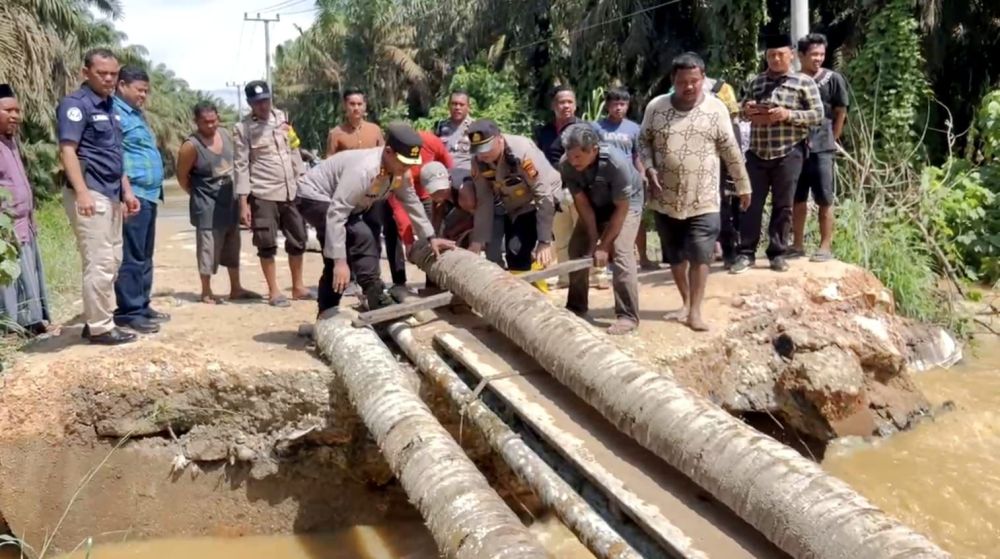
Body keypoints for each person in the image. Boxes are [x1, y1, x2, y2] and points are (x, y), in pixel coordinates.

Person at [640, 53, 751, 332]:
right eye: (682, 82)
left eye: (694, 81)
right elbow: (643, 142)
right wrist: (649, 168)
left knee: (701, 254)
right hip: (664, 197)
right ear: (673, 81)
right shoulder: (656, 107)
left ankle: (696, 312)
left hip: (704, 198)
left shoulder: (716, 109)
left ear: (703, 79)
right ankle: (685, 302)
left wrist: (743, 185)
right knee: (675, 255)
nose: (688, 87)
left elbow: (731, 150)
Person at [312, 122, 454, 314]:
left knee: (366, 236)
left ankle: (374, 292)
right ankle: (328, 313)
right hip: (315, 195)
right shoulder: (365, 170)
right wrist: (339, 261)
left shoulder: (397, 170)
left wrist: (430, 237)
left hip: (347, 204)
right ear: (388, 152)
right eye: (404, 163)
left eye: (411, 164)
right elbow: (337, 213)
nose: (407, 168)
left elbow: (411, 201)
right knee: (348, 244)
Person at [58, 49, 140, 345]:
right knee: (100, 261)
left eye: (113, 74)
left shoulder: (111, 107)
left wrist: (127, 191)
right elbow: (68, 150)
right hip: (90, 191)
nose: (108, 78)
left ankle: (95, 319)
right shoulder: (75, 105)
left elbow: (114, 154)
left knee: (113, 258)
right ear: (85, 73)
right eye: (101, 73)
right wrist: (82, 193)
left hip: (112, 192)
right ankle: (101, 328)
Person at [732, 35, 823, 274]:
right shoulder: (756, 82)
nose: (775, 59)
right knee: (750, 203)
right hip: (757, 152)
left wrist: (788, 115)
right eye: (771, 55)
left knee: (784, 205)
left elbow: (817, 115)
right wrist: (747, 110)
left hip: (789, 151)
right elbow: (741, 113)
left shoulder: (804, 82)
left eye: (780, 54)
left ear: (791, 55)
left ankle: (777, 253)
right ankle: (746, 253)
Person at [234, 80, 311, 307]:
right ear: (249, 103)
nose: (263, 105)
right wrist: (243, 203)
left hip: (291, 191)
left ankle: (298, 287)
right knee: (266, 243)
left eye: (266, 100)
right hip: (264, 193)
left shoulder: (282, 119)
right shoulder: (243, 129)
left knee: (298, 239)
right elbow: (241, 166)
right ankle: (274, 291)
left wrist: (303, 181)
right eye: (258, 102)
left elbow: (294, 150)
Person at [560, 124, 643, 335]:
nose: (573, 161)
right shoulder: (567, 165)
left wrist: (604, 246)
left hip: (626, 204)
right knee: (577, 249)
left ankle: (627, 316)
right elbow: (583, 204)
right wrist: (592, 239)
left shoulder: (616, 163)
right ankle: (576, 306)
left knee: (621, 253)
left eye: (579, 157)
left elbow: (622, 208)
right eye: (570, 156)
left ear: (594, 149)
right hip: (594, 203)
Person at [176, 101, 260, 304]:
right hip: (206, 205)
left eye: (214, 121)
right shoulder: (191, 146)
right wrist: (198, 195)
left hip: (230, 200)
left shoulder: (225, 134)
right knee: (208, 250)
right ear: (197, 122)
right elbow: (182, 177)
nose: (211, 126)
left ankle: (236, 288)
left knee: (233, 245)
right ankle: (206, 291)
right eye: (206, 122)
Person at [468, 119, 561, 280]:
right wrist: (478, 240)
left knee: (517, 251)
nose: (483, 155)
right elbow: (484, 199)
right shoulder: (479, 162)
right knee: (513, 254)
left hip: (539, 200)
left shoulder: (522, 152)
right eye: (478, 150)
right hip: (513, 205)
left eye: (486, 148)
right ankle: (528, 286)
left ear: (499, 138)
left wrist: (544, 241)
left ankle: (534, 292)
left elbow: (543, 194)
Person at [112, 66, 167, 334]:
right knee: (132, 256)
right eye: (140, 90)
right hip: (132, 194)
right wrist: (125, 193)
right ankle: (128, 312)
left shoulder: (136, 115)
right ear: (122, 85)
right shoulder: (114, 112)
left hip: (149, 195)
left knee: (145, 255)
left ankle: (142, 305)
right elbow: (115, 155)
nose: (144, 95)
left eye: (146, 90)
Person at [790, 33, 850, 263]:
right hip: (796, 145)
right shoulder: (792, 80)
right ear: (801, 55)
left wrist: (832, 138)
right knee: (797, 197)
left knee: (825, 197)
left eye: (821, 54)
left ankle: (825, 246)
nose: (818, 59)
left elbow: (840, 111)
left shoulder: (833, 78)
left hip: (823, 145)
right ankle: (797, 244)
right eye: (813, 54)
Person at [0, 84, 52, 335]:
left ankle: (31, 321)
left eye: (18, 110)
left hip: (25, 225)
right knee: (10, 280)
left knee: (29, 274)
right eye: (8, 110)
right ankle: (11, 327)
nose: (15, 116)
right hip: (6, 229)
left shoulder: (10, 143)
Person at [381, 130, 453, 298]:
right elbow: (399, 206)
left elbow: (448, 163)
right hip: (397, 192)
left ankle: (433, 283)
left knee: (433, 235)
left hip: (427, 192)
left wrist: (444, 188)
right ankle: (399, 282)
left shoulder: (432, 142)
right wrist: (408, 242)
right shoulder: (400, 167)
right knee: (392, 231)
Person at [596, 87, 656, 271]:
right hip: (606, 182)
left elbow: (637, 154)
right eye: (615, 104)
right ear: (607, 106)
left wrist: (643, 174)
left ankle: (644, 258)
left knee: (637, 220)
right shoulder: (597, 127)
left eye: (622, 104)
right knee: (610, 220)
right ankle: (613, 259)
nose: (619, 108)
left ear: (628, 106)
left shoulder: (634, 128)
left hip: (631, 181)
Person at [535, 86, 589, 287]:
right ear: (553, 105)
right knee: (561, 234)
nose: (565, 106)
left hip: (580, 189)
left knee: (584, 233)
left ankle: (594, 275)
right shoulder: (545, 132)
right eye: (561, 102)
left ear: (575, 105)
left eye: (569, 102)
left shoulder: (584, 129)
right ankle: (566, 277)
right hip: (555, 191)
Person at [326, 88, 384, 157]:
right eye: (352, 104)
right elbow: (330, 163)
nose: (356, 108)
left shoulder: (375, 130)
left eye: (359, 104)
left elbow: (384, 157)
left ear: (365, 106)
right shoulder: (335, 134)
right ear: (345, 105)